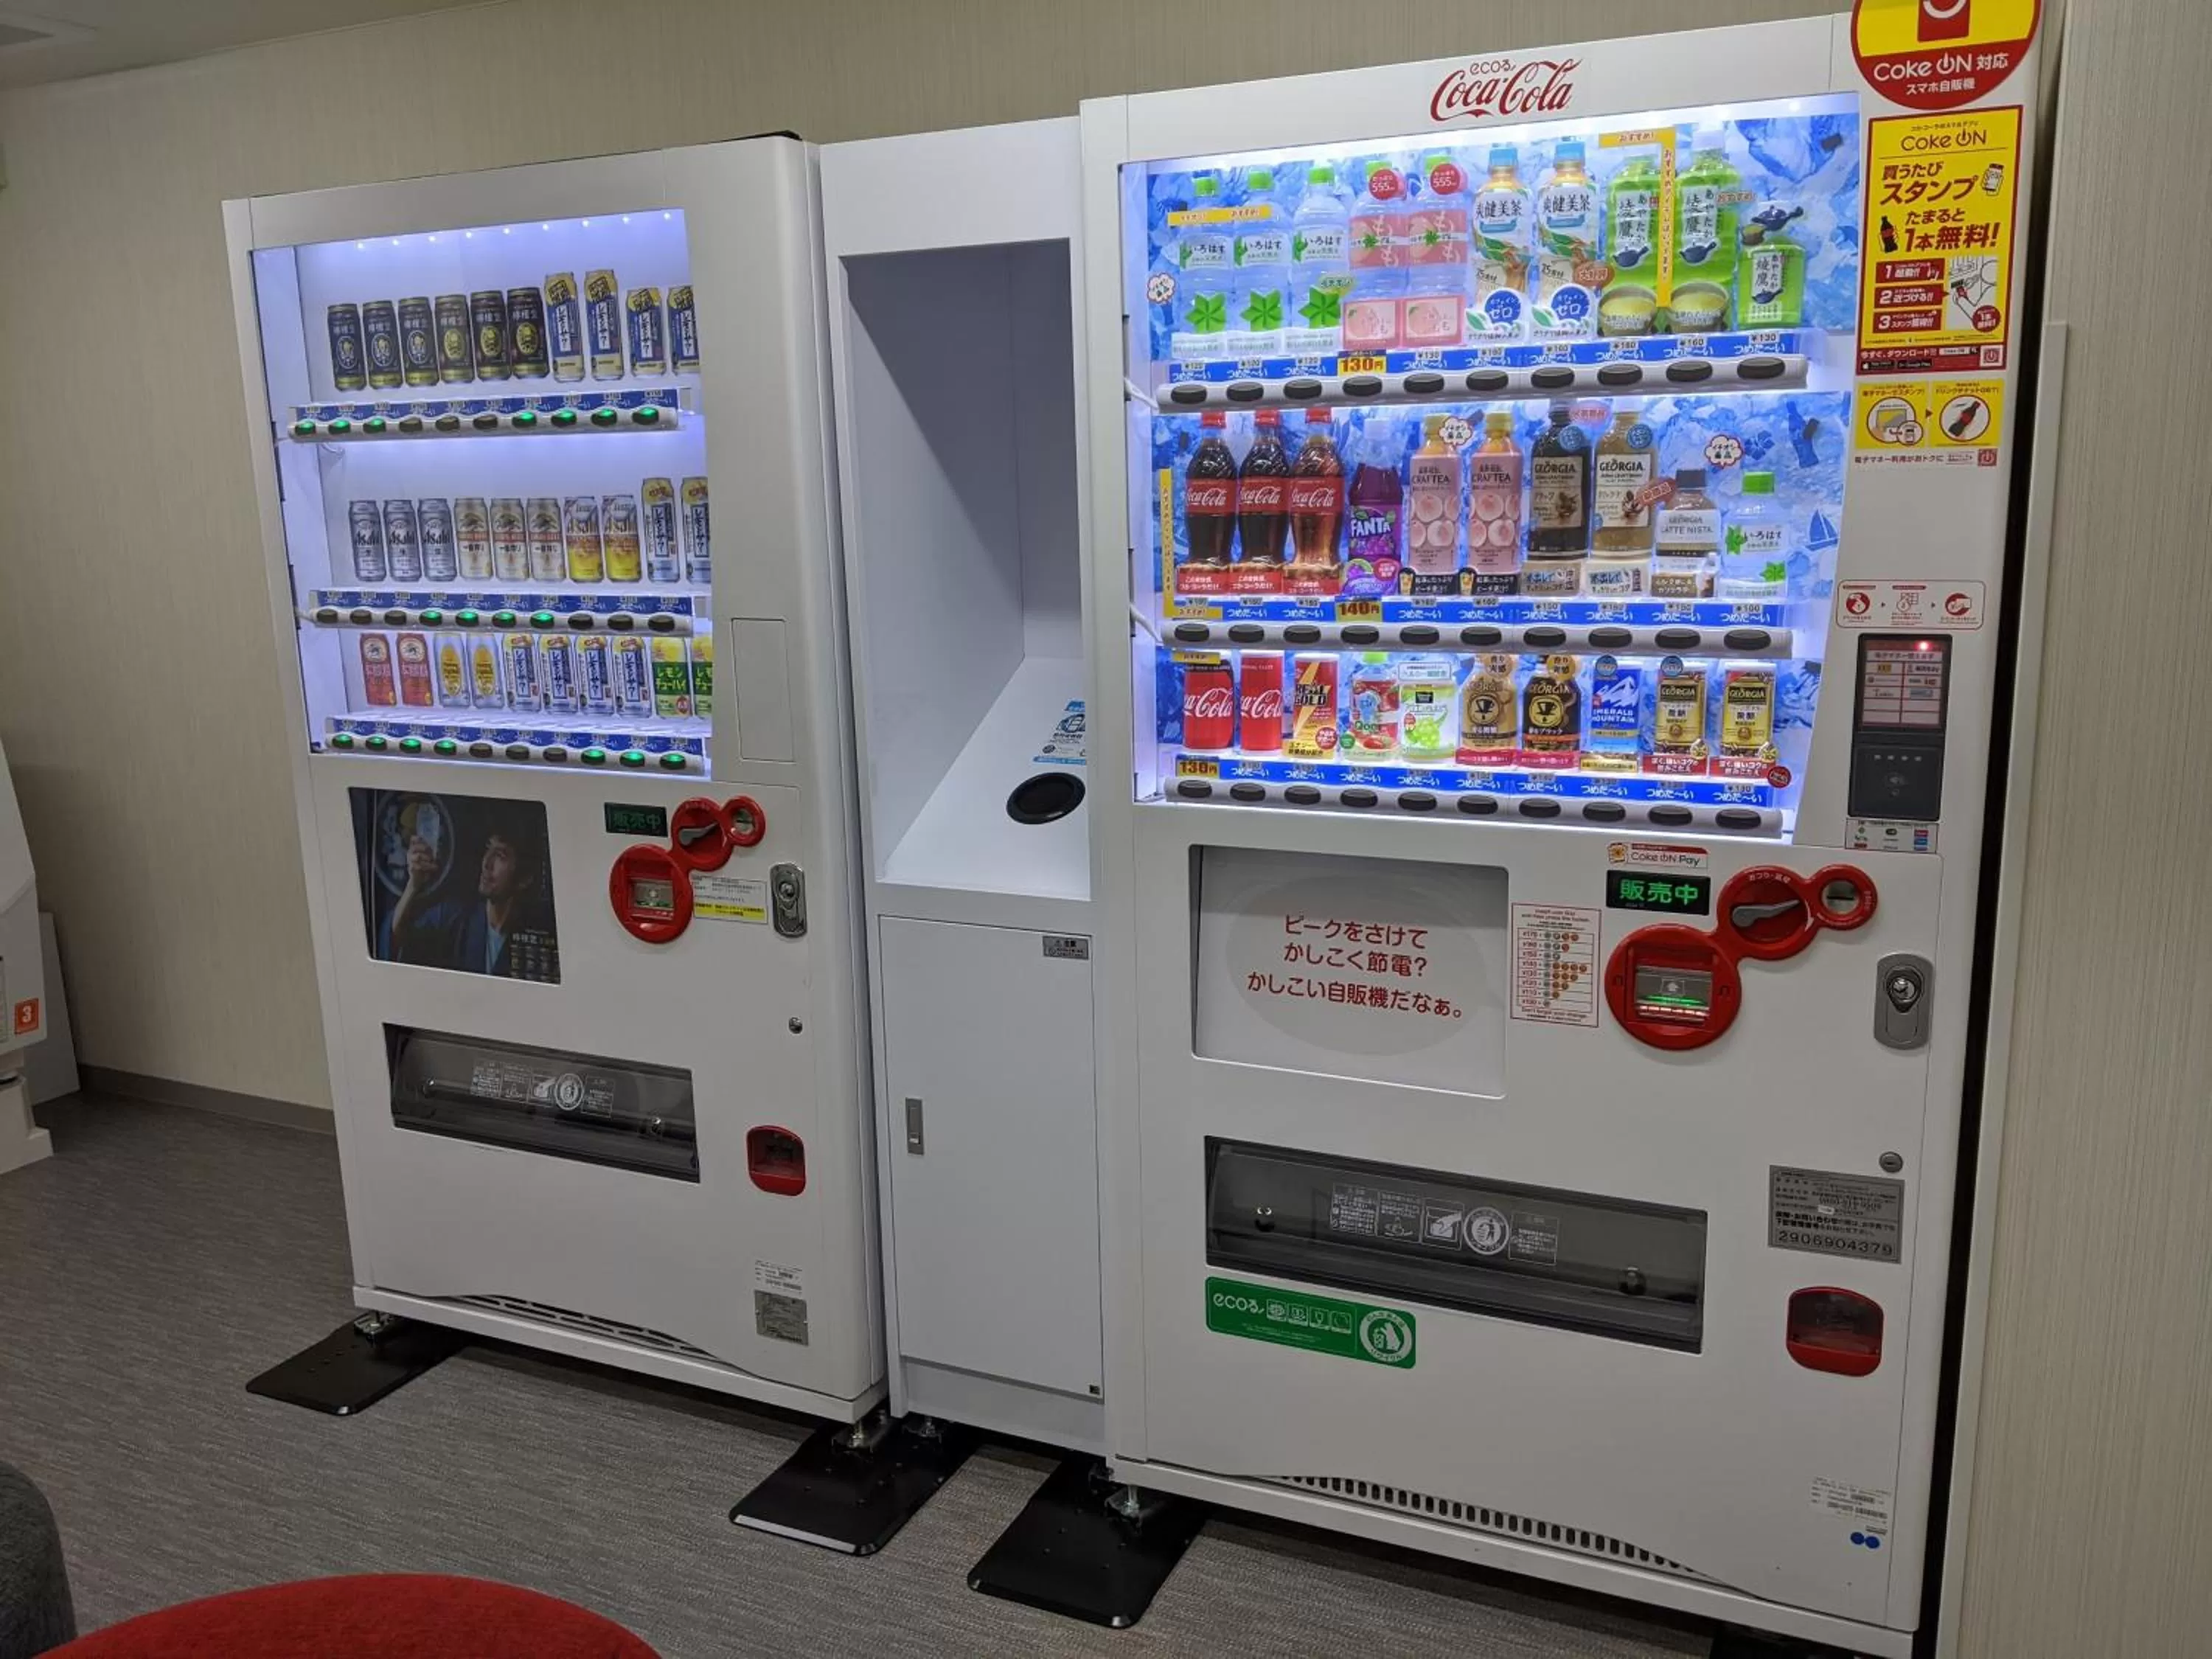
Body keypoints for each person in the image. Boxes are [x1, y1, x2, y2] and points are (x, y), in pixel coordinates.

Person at [386, 813, 549, 977]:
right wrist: (413, 885)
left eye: (501, 855)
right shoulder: (455, 916)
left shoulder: (537, 932)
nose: (486, 863)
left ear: (525, 879)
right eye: (488, 848)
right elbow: (398, 939)